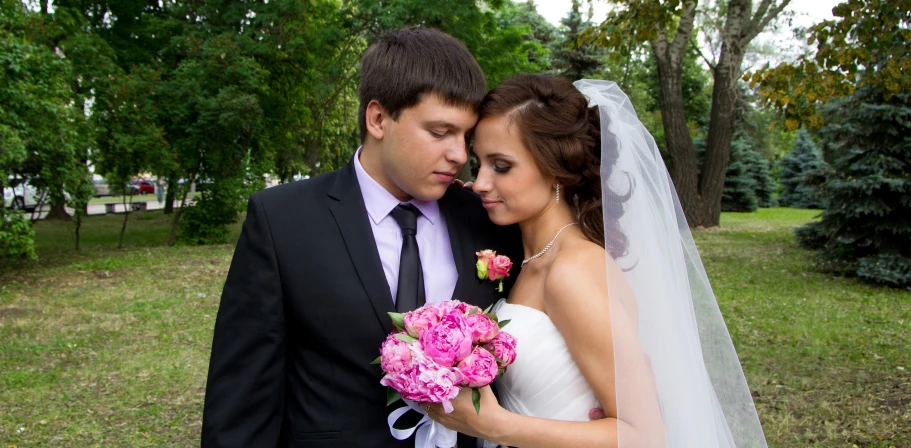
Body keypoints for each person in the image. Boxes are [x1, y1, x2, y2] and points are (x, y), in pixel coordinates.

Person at [200, 27, 523, 447]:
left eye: (466, 137)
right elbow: (242, 398)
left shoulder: (485, 219)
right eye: (440, 132)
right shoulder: (282, 219)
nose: (459, 155)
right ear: (378, 119)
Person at [426, 75, 768, 447]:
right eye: (480, 164)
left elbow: (643, 435)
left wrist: (494, 426)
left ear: (554, 169)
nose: (480, 183)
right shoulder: (531, 259)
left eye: (502, 166)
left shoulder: (572, 271)